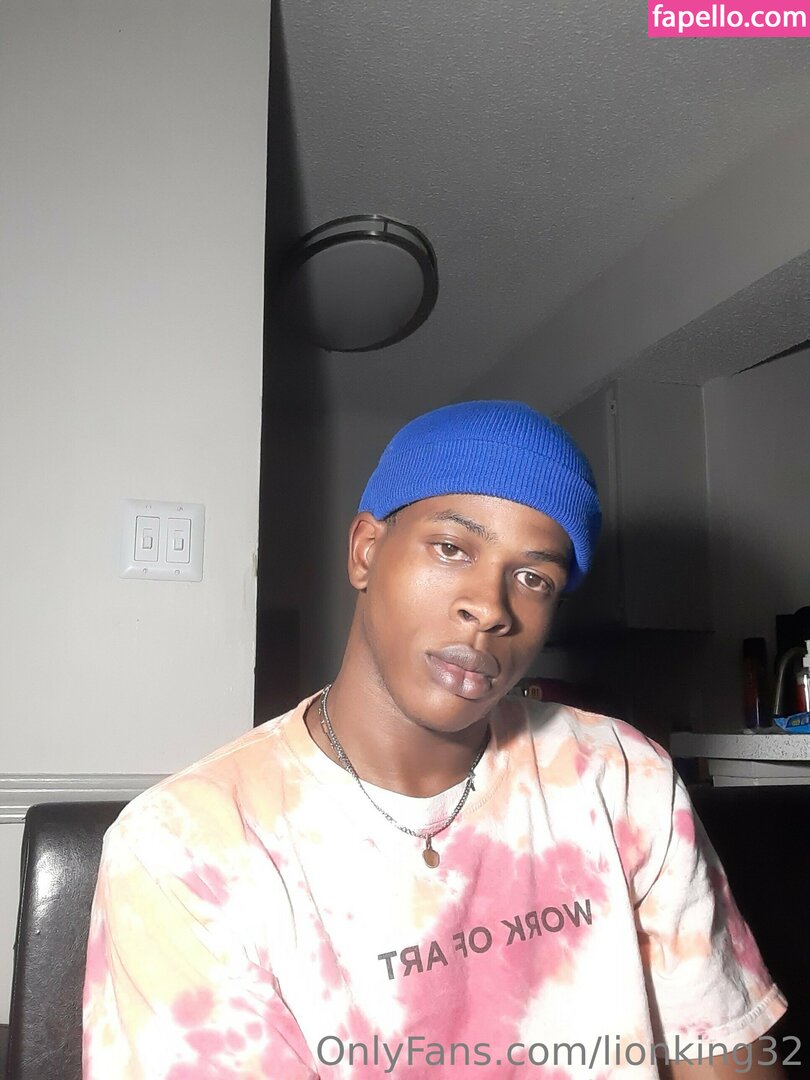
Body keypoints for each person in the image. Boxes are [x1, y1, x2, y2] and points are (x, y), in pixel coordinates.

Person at [83, 400, 788, 1079]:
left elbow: (723, 1054)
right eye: (452, 548)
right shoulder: (185, 845)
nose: (489, 607)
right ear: (366, 551)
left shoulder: (622, 777)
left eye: (533, 577)